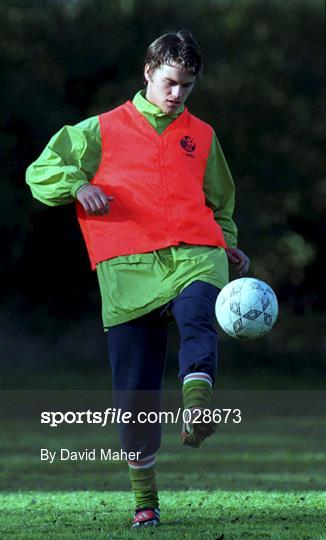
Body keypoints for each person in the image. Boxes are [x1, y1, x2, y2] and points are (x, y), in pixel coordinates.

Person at [26, 29, 250, 528]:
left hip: (195, 253)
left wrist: (227, 241)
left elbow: (221, 202)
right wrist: (78, 184)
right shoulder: (99, 130)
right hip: (127, 265)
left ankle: (197, 407)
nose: (177, 95)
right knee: (134, 395)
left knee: (198, 316)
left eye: (187, 87)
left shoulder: (204, 136)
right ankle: (145, 500)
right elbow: (41, 170)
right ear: (148, 72)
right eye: (170, 82)